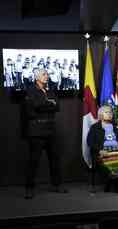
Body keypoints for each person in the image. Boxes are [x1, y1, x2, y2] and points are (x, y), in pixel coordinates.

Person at [24, 68, 68, 199]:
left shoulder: (50, 91)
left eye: (47, 74)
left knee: (55, 159)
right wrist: (49, 103)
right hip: (36, 131)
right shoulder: (31, 90)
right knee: (34, 161)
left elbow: (57, 106)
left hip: (51, 130)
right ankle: (29, 188)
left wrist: (47, 104)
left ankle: (56, 185)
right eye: (44, 74)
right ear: (37, 77)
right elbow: (36, 105)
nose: (47, 76)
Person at [87, 105, 118, 193]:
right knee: (111, 161)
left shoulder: (117, 126)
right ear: (100, 115)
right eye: (106, 112)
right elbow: (90, 142)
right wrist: (100, 150)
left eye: (110, 112)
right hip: (104, 153)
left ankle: (112, 182)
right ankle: (116, 184)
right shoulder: (95, 127)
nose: (109, 114)